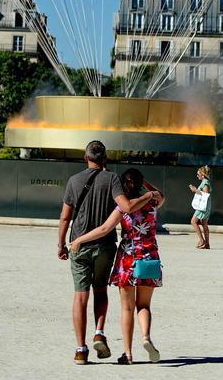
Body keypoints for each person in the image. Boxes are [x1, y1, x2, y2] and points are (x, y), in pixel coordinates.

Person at [58, 141, 157, 366]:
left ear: (85, 158)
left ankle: (80, 350)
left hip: (79, 243)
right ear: (104, 159)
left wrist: (61, 244)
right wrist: (147, 193)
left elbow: (65, 217)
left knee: (80, 295)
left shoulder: (74, 181)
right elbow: (126, 206)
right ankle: (99, 332)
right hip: (105, 246)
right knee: (101, 289)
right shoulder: (112, 178)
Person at [189, 165, 212, 248]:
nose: (197, 176)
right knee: (204, 223)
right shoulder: (205, 182)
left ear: (203, 175)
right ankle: (207, 243)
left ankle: (202, 241)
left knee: (193, 221)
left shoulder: (205, 182)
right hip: (206, 206)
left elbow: (206, 194)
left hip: (203, 206)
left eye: (198, 174)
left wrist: (195, 190)